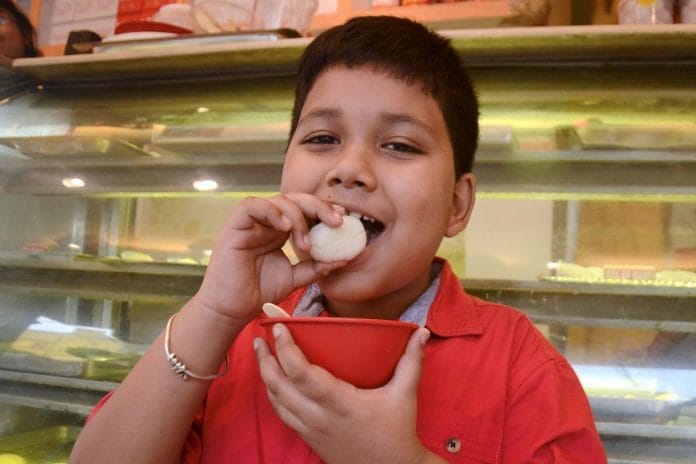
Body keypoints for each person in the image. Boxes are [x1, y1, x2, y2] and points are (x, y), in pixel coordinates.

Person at [69, 16, 607, 463]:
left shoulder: (519, 364)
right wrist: (213, 309)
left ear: (457, 204)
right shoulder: (234, 338)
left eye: (399, 145)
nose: (349, 169)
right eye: (323, 138)